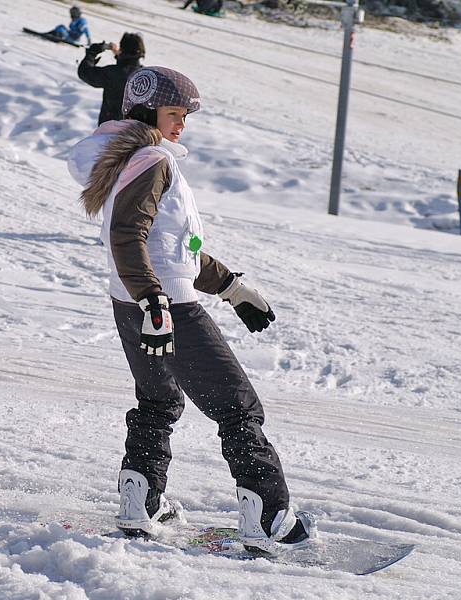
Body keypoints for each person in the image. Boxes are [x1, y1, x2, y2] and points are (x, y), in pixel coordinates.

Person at [67, 66, 316, 554]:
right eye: (173, 113)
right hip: (166, 307)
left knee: (159, 402)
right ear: (146, 113)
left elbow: (169, 248)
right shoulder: (153, 161)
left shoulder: (126, 161)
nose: (181, 123)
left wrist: (229, 285)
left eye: (185, 115)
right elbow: (128, 237)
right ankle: (269, 521)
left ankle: (142, 503)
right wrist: (156, 302)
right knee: (237, 408)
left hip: (134, 301)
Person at [77, 33, 145, 125]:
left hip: (110, 131)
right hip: (137, 133)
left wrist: (92, 53)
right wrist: (119, 56)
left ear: (122, 49)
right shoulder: (146, 75)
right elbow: (127, 68)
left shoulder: (112, 73)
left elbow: (85, 72)